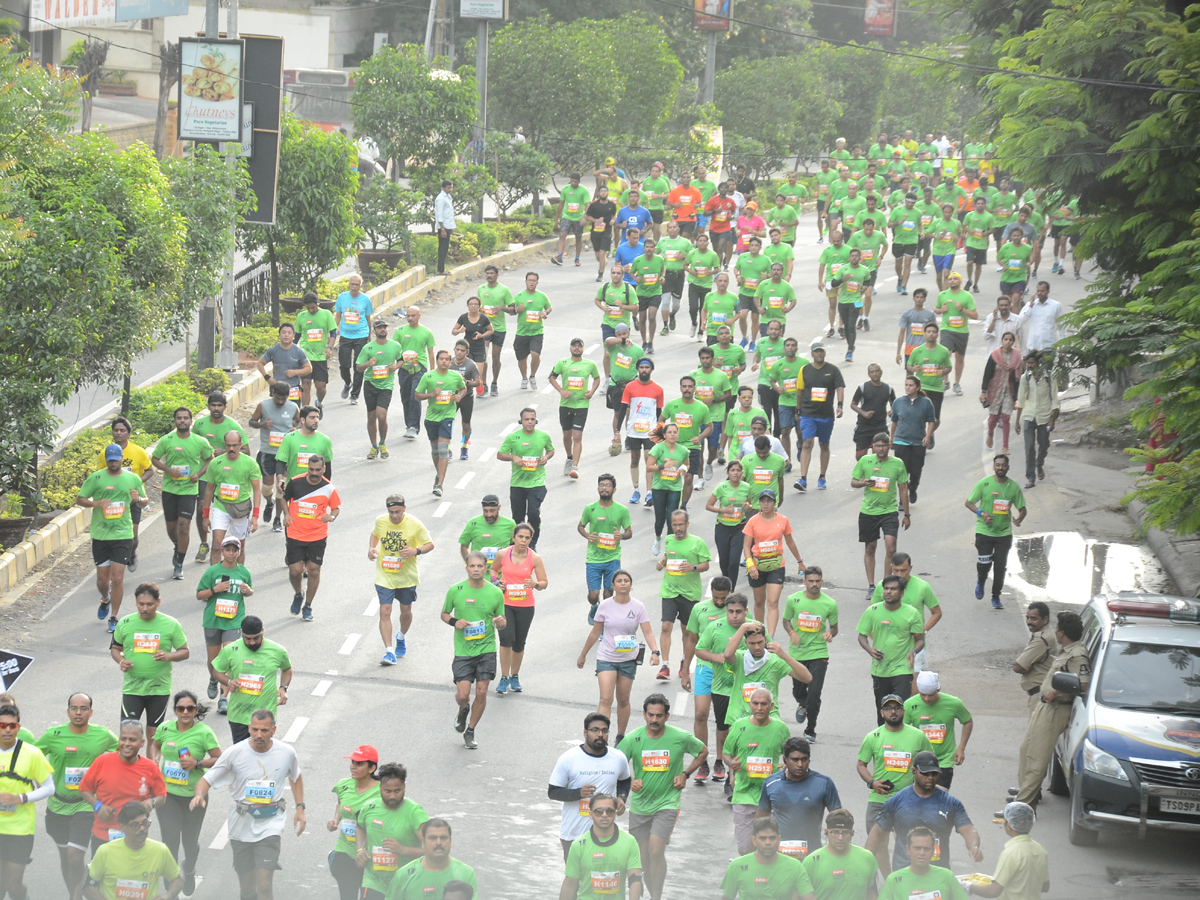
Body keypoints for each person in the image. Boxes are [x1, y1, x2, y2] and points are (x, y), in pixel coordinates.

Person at [190, 710, 304, 900]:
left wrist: (300, 807)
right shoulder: (235, 752)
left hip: (271, 823)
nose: (259, 735)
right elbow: (207, 779)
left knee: (265, 884)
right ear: (249, 728)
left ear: (274, 729)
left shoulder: (286, 752)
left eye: (265, 730)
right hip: (241, 823)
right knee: (247, 889)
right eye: (255, 729)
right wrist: (199, 795)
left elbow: (296, 777)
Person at [617, 694, 706, 900]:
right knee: (643, 859)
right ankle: (648, 891)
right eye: (651, 715)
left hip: (668, 802)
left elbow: (702, 751)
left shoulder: (680, 736)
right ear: (644, 714)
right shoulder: (633, 739)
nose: (654, 720)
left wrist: (686, 774)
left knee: (656, 851)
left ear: (667, 716)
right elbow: (616, 765)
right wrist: (630, 782)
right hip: (640, 805)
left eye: (659, 716)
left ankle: (656, 897)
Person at [37, 693, 119, 900]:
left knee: (75, 858)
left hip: (86, 805)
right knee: (66, 858)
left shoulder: (103, 735)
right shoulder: (53, 735)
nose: (79, 712)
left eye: (84, 708)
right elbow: (33, 757)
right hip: (57, 806)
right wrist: (38, 781)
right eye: (74, 708)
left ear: (91, 712)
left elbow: (124, 752)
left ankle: (78, 896)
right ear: (68, 711)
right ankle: (75, 893)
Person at [1015, 611, 1091, 808]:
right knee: (1027, 749)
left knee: (1037, 758)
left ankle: (1023, 805)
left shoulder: (1077, 655)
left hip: (1056, 709)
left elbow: (1081, 684)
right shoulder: (1066, 650)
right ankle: (1026, 793)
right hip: (1044, 705)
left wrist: (1055, 692)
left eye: (1057, 630)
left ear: (1062, 633)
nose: (1055, 633)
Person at [150, 690, 221, 894]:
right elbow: (155, 744)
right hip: (168, 795)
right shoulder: (165, 728)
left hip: (194, 797)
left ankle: (189, 868)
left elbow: (219, 758)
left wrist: (197, 763)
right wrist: (155, 759)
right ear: (175, 710)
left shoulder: (204, 732)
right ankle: (171, 890)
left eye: (190, 708)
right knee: (169, 841)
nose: (186, 712)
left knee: (190, 843)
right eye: (181, 708)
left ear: (195, 710)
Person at [866, 753, 982, 876]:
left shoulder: (950, 803)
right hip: (904, 874)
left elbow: (968, 829)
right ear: (914, 771)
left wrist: (973, 846)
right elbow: (877, 834)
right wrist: (864, 862)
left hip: (938, 875)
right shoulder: (897, 801)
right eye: (925, 774)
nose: (930, 778)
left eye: (934, 774)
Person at [578, 571, 660, 741]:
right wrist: (583, 654)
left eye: (626, 581)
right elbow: (595, 632)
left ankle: (620, 736)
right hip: (606, 657)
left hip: (628, 659)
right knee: (605, 698)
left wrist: (655, 651)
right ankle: (600, 736)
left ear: (631, 584)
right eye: (619, 581)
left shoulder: (638, 607)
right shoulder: (605, 606)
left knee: (623, 700)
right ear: (613, 586)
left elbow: (648, 632)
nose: (623, 584)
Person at [78, 443, 148, 629]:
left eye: (116, 460)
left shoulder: (132, 478)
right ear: (106, 460)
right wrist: (96, 504)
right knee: (102, 581)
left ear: (121, 459)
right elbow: (80, 499)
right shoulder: (96, 478)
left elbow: (144, 500)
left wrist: (138, 500)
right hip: (101, 535)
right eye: (110, 460)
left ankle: (114, 617)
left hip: (123, 534)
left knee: (117, 578)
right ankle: (105, 597)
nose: (113, 463)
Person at [110, 583, 189, 742]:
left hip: (158, 689)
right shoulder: (125, 623)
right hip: (133, 688)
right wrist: (121, 661)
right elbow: (115, 648)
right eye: (141, 604)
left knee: (153, 735)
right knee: (128, 732)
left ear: (158, 602)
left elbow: (185, 651)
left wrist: (168, 656)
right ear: (135, 603)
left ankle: (151, 766)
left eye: (149, 604)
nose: (145, 608)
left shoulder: (171, 624)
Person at [442, 553, 506, 749]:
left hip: (486, 648)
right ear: (467, 568)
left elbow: (501, 622)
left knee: (482, 691)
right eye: (472, 566)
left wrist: (501, 623)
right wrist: (455, 621)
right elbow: (444, 614)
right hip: (463, 650)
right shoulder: (455, 590)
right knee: (463, 695)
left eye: (480, 566)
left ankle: (470, 730)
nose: (476, 569)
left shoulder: (495, 593)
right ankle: (463, 709)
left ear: (485, 569)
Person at [548, 714, 632, 861]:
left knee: (602, 880)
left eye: (605, 731)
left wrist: (621, 797)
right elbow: (553, 792)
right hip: (574, 834)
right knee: (576, 881)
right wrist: (578, 793)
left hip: (607, 834)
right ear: (585, 732)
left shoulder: (618, 758)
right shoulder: (569, 759)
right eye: (595, 730)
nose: (600, 734)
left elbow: (624, 780)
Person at [79, 721, 167, 853]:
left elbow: (161, 796)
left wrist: (151, 802)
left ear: (142, 743)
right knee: (102, 873)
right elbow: (84, 789)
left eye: (132, 740)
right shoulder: (102, 762)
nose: (126, 744)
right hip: (104, 835)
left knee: (133, 873)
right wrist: (98, 806)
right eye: (123, 739)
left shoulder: (150, 767)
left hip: (136, 837)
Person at [724, 690, 794, 856]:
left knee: (768, 846)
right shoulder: (739, 726)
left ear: (771, 706)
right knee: (744, 847)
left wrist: (786, 765)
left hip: (772, 795)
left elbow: (791, 754)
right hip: (744, 794)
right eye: (755, 703)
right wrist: (731, 764)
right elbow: (726, 753)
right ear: (750, 705)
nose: (759, 707)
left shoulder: (780, 728)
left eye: (764, 704)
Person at [368, 494, 434, 665]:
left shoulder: (415, 524)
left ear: (404, 509)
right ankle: (389, 652)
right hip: (385, 575)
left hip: (406, 577)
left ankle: (401, 636)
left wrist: (415, 551)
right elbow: (375, 534)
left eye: (398, 512)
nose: (394, 516)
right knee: (385, 611)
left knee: (406, 612)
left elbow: (430, 544)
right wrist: (371, 548)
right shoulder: (381, 521)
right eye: (391, 512)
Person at [152, 407, 215, 582]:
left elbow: (210, 458)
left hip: (189, 490)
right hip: (170, 490)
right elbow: (155, 459)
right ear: (175, 421)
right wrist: (168, 469)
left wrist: (199, 474)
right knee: (172, 528)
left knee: (184, 526)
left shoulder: (199, 441)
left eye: (185, 418)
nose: (182, 421)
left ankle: (179, 563)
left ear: (190, 421)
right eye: (179, 418)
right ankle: (177, 546)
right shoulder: (167, 440)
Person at [855, 696, 933, 831]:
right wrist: (872, 783)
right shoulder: (872, 737)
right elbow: (861, 764)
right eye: (888, 708)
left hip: (908, 800)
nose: (893, 712)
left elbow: (930, 763)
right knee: (876, 845)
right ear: (882, 713)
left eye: (897, 708)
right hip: (879, 799)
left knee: (906, 844)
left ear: (903, 711)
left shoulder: (918, 736)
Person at [757, 737, 841, 861]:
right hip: (778, 856)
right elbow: (760, 820)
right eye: (795, 760)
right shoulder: (771, 783)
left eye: (804, 760)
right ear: (785, 760)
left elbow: (838, 819)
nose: (800, 765)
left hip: (812, 855)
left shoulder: (824, 783)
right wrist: (753, 854)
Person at [353, 762, 428, 900]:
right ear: (380, 788)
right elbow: (360, 827)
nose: (392, 796)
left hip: (406, 883)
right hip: (374, 881)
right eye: (388, 791)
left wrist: (403, 850)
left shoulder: (415, 813)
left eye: (397, 791)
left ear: (404, 787)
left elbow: (431, 850)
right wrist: (360, 850)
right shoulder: (369, 808)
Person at [0, 703, 53, 900]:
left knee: (13, 885)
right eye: (2, 725)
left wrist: (21, 798)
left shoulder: (31, 753)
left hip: (20, 829)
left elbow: (49, 787)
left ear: (18, 728)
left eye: (12, 726)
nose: (7, 730)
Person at [211, 616, 292, 743]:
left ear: (263, 631)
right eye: (247, 638)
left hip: (265, 715)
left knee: (262, 753)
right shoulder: (230, 650)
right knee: (241, 757)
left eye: (256, 638)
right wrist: (228, 681)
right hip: (239, 714)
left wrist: (283, 687)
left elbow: (287, 669)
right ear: (241, 633)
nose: (252, 642)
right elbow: (217, 671)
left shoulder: (277, 651)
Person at [653, 509, 711, 684]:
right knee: (665, 627)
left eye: (680, 524)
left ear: (687, 524)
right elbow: (668, 556)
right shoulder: (669, 540)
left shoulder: (697, 542)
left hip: (689, 593)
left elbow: (706, 564)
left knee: (687, 631)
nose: (677, 528)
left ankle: (684, 662)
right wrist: (662, 562)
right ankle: (664, 665)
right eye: (674, 525)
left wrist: (692, 567)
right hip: (670, 590)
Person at [191, 394, 249, 565]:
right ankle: (204, 542)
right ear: (208, 407)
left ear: (225, 406)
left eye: (219, 405)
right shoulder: (200, 425)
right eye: (213, 405)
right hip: (205, 473)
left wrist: (224, 452)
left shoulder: (233, 426)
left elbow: (246, 452)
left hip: (228, 477)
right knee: (202, 507)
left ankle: (235, 565)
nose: (216, 408)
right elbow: (193, 443)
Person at [195, 537, 252, 711]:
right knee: (213, 662)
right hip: (213, 620)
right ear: (222, 551)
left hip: (234, 621)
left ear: (239, 552)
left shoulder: (244, 572)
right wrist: (215, 590)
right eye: (228, 550)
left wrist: (248, 591)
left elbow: (250, 590)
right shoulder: (212, 572)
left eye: (235, 550)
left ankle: (223, 697)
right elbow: (199, 595)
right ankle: (214, 677)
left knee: (228, 659)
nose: (231, 553)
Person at [280, 454, 339, 619]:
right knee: (295, 571)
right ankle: (298, 594)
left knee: (314, 570)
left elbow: (336, 508)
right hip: (296, 534)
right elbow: (284, 499)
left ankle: (308, 606)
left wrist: (331, 517)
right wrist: (286, 515)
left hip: (318, 535)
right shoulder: (296, 482)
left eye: (318, 470)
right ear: (308, 468)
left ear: (324, 469)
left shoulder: (328, 488)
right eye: (311, 470)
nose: (314, 473)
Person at [850, 435, 910, 595]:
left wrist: (907, 514)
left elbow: (903, 488)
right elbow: (853, 481)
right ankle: (871, 585)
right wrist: (863, 483)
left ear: (889, 446)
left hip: (889, 511)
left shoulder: (897, 464)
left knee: (891, 547)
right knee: (870, 547)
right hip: (868, 512)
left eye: (884, 446)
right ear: (872, 447)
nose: (881, 449)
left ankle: (886, 584)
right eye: (877, 446)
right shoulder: (865, 461)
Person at [83, 802, 182, 900]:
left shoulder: (160, 850)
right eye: (135, 825)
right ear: (122, 827)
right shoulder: (105, 852)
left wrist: (167, 896)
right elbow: (88, 886)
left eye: (145, 823)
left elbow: (177, 880)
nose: (142, 829)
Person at [782, 567, 838, 741]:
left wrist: (830, 633)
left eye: (817, 581)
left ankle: (810, 730)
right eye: (811, 581)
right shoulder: (793, 600)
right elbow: (786, 621)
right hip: (797, 654)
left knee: (814, 693)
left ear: (822, 581)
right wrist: (792, 633)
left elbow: (835, 628)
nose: (814, 584)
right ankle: (803, 704)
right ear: (804, 582)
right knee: (798, 691)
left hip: (818, 653)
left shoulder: (830, 604)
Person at [965, 454, 1027, 610]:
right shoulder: (984, 484)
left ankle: (996, 596)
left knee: (1000, 566)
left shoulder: (1013, 487)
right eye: (997, 465)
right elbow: (969, 502)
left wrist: (1019, 519)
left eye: (1003, 465)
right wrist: (982, 514)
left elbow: (1023, 509)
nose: (1000, 468)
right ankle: (981, 580)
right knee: (984, 563)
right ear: (994, 466)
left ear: (1008, 467)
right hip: (984, 531)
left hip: (1004, 533)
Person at [491, 523, 547, 695]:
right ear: (514, 537)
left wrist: (535, 584)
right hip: (505, 603)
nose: (523, 541)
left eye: (527, 538)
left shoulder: (535, 558)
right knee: (506, 639)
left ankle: (515, 676)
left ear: (531, 540)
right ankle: (504, 677)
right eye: (520, 537)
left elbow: (544, 582)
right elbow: (493, 569)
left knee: (518, 642)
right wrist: (496, 581)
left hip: (525, 606)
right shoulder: (503, 553)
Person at [857, 578, 924, 719]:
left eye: (893, 589)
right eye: (886, 588)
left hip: (902, 668)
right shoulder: (873, 611)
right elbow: (861, 636)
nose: (888, 592)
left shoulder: (912, 613)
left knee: (900, 708)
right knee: (883, 710)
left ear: (901, 593)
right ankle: (883, 739)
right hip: (880, 669)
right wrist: (870, 650)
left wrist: (913, 652)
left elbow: (920, 640)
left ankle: (901, 738)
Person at [93, 418, 154, 574]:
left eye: (122, 430)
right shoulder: (104, 454)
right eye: (116, 430)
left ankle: (132, 553)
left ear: (129, 434)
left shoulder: (138, 452)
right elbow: (100, 475)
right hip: (113, 501)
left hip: (132, 500)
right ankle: (114, 561)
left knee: (133, 535)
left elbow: (150, 470)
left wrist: (135, 482)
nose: (118, 433)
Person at [741, 490, 804, 637]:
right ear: (759, 503)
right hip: (758, 566)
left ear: (775, 503)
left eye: (769, 501)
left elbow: (790, 541)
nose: (766, 504)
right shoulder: (753, 521)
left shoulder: (782, 520)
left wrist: (800, 561)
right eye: (763, 501)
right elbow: (746, 546)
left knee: (773, 602)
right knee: (759, 602)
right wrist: (751, 566)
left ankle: (770, 637)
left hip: (776, 565)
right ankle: (759, 632)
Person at [723, 622, 812, 723]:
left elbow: (807, 678)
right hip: (739, 718)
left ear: (765, 640)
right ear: (745, 642)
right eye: (752, 643)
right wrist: (743, 627)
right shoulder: (739, 659)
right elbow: (727, 655)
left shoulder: (775, 660)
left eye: (760, 642)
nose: (757, 647)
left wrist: (784, 655)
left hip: (769, 719)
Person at [560, 791, 642, 900]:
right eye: (599, 812)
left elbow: (635, 879)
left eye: (609, 811)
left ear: (615, 814)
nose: (604, 815)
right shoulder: (578, 845)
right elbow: (569, 885)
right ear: (591, 815)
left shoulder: (629, 842)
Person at [326, 745, 381, 900]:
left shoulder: (382, 790)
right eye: (352, 762)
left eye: (359, 764)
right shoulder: (344, 785)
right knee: (347, 895)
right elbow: (340, 802)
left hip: (370, 855)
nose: (353, 767)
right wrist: (335, 820)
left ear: (372, 768)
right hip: (345, 849)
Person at [200, 430, 262, 564]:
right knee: (216, 545)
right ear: (225, 445)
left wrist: (255, 516)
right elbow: (209, 489)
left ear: (241, 445)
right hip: (221, 506)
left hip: (240, 509)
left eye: (235, 445)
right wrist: (205, 516)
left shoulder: (250, 463)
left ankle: (237, 577)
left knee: (239, 547)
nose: (231, 449)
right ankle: (214, 578)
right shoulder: (216, 463)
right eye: (228, 445)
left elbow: (257, 490)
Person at [579, 474, 634, 623]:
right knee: (593, 594)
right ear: (598, 488)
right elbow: (580, 526)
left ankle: (603, 622)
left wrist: (621, 536)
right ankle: (594, 607)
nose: (604, 488)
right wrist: (587, 535)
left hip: (612, 558)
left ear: (614, 489)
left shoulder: (621, 510)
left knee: (609, 593)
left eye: (608, 485)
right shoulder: (590, 509)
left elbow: (629, 532)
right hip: (594, 557)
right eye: (602, 485)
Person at [902, 674, 973, 790]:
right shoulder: (909, 704)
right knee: (920, 797)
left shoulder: (954, 703)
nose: (927, 699)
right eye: (923, 695)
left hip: (944, 760)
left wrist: (961, 748)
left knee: (939, 798)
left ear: (938, 689)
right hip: (920, 759)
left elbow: (967, 721)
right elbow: (903, 729)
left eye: (931, 695)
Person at [497, 407, 555, 548]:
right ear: (521, 421)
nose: (530, 422)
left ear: (536, 421)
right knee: (518, 517)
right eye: (526, 419)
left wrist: (546, 457)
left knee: (533, 513)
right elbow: (500, 454)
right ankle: (518, 543)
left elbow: (551, 450)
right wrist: (513, 457)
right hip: (518, 483)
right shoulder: (513, 437)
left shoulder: (544, 436)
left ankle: (532, 543)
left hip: (537, 481)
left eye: (532, 419)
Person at [721, 815, 817, 900]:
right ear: (754, 841)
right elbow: (727, 897)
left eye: (772, 838)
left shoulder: (795, 867)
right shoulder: (737, 866)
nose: (768, 843)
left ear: (779, 839)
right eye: (762, 838)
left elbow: (809, 897)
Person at [414, 348, 468, 496]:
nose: (444, 361)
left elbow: (463, 388)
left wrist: (459, 396)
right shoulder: (428, 376)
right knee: (435, 451)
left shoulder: (455, 376)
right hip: (431, 417)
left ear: (450, 362)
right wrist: (432, 394)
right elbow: (417, 395)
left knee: (443, 449)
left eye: (446, 359)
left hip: (447, 416)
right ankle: (439, 474)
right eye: (441, 359)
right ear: (437, 361)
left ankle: (439, 484)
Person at [969, 803, 1048, 900]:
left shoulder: (1010, 854)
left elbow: (993, 891)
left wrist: (968, 887)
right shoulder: (1040, 850)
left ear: (1009, 825)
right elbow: (1045, 886)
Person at [247, 383, 298, 533]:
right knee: (268, 486)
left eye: (284, 399)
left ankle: (277, 518)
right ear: (272, 393)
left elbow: (299, 420)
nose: (281, 402)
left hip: (285, 453)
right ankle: (269, 502)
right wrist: (262, 425)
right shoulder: (263, 405)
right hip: (267, 451)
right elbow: (251, 422)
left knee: (281, 486)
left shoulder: (293, 407)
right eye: (278, 398)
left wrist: (295, 427)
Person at [794, 346, 844, 493]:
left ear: (825, 353)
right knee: (807, 443)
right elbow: (800, 391)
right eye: (816, 351)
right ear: (812, 354)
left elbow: (840, 388)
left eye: (821, 351)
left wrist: (840, 405)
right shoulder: (805, 369)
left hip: (826, 414)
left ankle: (822, 477)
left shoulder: (833, 370)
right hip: (808, 413)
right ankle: (803, 479)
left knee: (823, 444)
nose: (819, 353)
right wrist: (798, 410)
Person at [550, 338, 602, 479]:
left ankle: (575, 467)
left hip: (581, 405)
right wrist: (561, 390)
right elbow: (552, 377)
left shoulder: (590, 364)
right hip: (565, 405)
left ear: (583, 349)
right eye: (574, 346)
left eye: (580, 346)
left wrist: (591, 392)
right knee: (567, 435)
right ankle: (569, 457)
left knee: (577, 436)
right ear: (570, 348)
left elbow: (597, 378)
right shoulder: (563, 363)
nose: (577, 348)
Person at [390, 819, 477, 900]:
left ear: (450, 841)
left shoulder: (466, 874)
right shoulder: (403, 876)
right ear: (423, 842)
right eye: (432, 838)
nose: (438, 842)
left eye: (443, 838)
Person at [802, 809, 879, 900]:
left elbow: (872, 892)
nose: (840, 838)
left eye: (845, 833)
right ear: (827, 832)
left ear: (852, 833)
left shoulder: (867, 858)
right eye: (835, 832)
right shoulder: (811, 862)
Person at [355, 320, 403, 459]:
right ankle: (374, 446)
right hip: (371, 384)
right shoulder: (368, 348)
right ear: (374, 331)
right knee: (371, 417)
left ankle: (382, 442)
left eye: (384, 328)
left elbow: (401, 359)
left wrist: (396, 366)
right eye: (379, 328)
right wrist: (368, 364)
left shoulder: (395, 346)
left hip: (386, 385)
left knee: (381, 416)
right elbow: (358, 367)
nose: (382, 330)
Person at [876, 828, 967, 900]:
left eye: (926, 849)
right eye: (917, 848)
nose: (922, 853)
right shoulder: (894, 880)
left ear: (933, 851)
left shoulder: (947, 876)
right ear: (908, 850)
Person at [1014, 351, 1059, 489]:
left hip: (1044, 416)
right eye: (1028, 363)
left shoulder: (1050, 377)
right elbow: (1021, 400)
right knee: (1029, 449)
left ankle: (1039, 464)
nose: (1029, 366)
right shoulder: (1025, 378)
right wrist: (1017, 421)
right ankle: (1031, 478)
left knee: (1044, 445)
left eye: (1032, 363)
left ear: (1039, 363)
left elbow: (1055, 400)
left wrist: (1052, 420)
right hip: (1029, 415)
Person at [393, 306, 439, 442]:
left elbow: (431, 352)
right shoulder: (400, 331)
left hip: (420, 369)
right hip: (404, 369)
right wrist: (394, 365)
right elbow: (394, 348)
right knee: (406, 397)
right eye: (408, 316)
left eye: (413, 316)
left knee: (415, 396)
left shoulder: (426, 332)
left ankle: (414, 427)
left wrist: (432, 372)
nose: (410, 318)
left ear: (419, 316)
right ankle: (409, 424)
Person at [889, 376, 936, 506]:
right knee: (903, 472)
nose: (908, 387)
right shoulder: (898, 402)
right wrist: (891, 438)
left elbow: (931, 421)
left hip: (917, 442)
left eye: (911, 385)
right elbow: (894, 421)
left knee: (916, 471)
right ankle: (902, 501)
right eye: (906, 385)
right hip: (901, 441)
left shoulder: (926, 402)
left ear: (917, 387)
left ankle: (913, 489)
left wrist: (928, 436)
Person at [904, 323, 951, 451]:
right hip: (921, 388)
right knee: (918, 416)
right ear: (924, 334)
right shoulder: (917, 350)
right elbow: (908, 366)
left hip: (936, 388)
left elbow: (949, 367)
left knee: (936, 420)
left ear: (937, 334)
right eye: (928, 331)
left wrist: (944, 372)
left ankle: (929, 433)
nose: (931, 334)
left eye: (933, 332)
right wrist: (913, 368)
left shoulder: (943, 351)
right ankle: (922, 436)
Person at [706, 460, 753, 587]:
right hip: (722, 526)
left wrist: (747, 507)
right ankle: (726, 580)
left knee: (734, 560)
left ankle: (731, 588)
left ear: (742, 473)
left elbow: (749, 505)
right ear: (728, 472)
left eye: (738, 470)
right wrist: (723, 510)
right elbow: (708, 505)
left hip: (739, 526)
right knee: (724, 560)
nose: (736, 473)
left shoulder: (746, 487)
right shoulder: (722, 487)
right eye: (733, 470)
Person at [645, 423, 688, 553]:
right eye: (670, 432)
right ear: (664, 435)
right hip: (659, 487)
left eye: (675, 432)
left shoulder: (683, 450)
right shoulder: (658, 449)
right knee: (660, 520)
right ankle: (658, 538)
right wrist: (664, 466)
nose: (672, 435)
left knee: (671, 519)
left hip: (675, 488)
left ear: (678, 434)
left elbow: (686, 464)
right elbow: (648, 467)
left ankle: (669, 548)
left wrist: (684, 468)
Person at [934, 272, 978, 395]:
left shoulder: (967, 296)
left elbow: (975, 315)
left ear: (960, 282)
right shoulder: (942, 295)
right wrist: (941, 310)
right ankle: (946, 381)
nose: (952, 281)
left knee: (959, 358)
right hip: (946, 329)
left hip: (962, 331)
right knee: (944, 354)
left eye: (955, 279)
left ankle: (956, 383)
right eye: (950, 279)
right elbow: (936, 309)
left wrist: (961, 309)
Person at [334, 274, 374, 403]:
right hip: (345, 335)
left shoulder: (365, 300)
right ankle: (347, 382)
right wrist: (333, 332)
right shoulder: (342, 297)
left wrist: (369, 336)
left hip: (361, 335)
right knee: (344, 365)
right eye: (352, 284)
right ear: (349, 285)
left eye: (357, 285)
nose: (354, 287)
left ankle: (355, 395)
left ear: (360, 286)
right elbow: (338, 316)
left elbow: (368, 318)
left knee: (359, 366)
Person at [981, 331, 1023, 453]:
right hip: (995, 390)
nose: (1008, 342)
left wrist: (1019, 394)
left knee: (1005, 417)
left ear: (1013, 342)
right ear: (1001, 341)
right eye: (1006, 339)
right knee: (993, 418)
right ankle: (990, 434)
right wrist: (983, 391)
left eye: (1010, 340)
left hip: (1009, 391)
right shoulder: (995, 355)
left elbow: (1019, 376)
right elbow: (987, 374)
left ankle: (1005, 446)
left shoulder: (1016, 357)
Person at [294, 292, 338, 409]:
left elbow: (333, 332)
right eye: (308, 308)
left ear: (317, 304)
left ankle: (318, 402)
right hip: (305, 356)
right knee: (306, 384)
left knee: (321, 387)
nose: (311, 310)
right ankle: (305, 412)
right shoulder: (301, 316)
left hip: (320, 355)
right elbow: (297, 335)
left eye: (313, 307)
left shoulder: (326, 314)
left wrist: (329, 347)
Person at [769, 337, 808, 465]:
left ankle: (800, 445)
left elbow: (811, 379)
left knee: (801, 431)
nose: (790, 347)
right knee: (785, 431)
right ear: (784, 348)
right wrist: (777, 388)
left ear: (796, 348)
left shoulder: (804, 363)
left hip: (801, 402)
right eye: (788, 345)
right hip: (785, 402)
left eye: (793, 345)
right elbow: (772, 380)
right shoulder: (778, 365)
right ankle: (787, 461)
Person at [275, 404, 335, 485]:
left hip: (316, 487)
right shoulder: (289, 438)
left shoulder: (325, 440)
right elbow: (281, 462)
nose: (316, 420)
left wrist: (326, 486)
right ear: (303, 420)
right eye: (312, 417)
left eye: (317, 417)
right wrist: (280, 480)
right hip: (294, 486)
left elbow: (327, 466)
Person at [477, 265, 513, 395]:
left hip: (499, 328)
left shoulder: (504, 290)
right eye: (487, 273)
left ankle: (494, 383)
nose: (489, 275)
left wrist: (502, 308)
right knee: (484, 356)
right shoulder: (481, 289)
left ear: (497, 275)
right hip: (484, 327)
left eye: (491, 273)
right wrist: (479, 310)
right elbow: (478, 306)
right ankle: (484, 384)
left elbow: (513, 310)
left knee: (496, 357)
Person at [256, 323, 312, 408]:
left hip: (293, 388)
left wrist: (295, 372)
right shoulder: (273, 350)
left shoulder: (298, 351)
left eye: (289, 333)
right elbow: (260, 363)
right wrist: (268, 378)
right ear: (279, 335)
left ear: (293, 336)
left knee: (293, 413)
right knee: (276, 411)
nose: (286, 335)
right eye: (283, 332)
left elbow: (309, 368)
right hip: (277, 387)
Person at [1013, 602, 1055, 712]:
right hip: (1041, 693)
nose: (1029, 622)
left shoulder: (1041, 639)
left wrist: (1026, 666)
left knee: (1035, 729)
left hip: (1040, 695)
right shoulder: (1046, 634)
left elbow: (1018, 667)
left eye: (1033, 618)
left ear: (1045, 619)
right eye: (1028, 618)